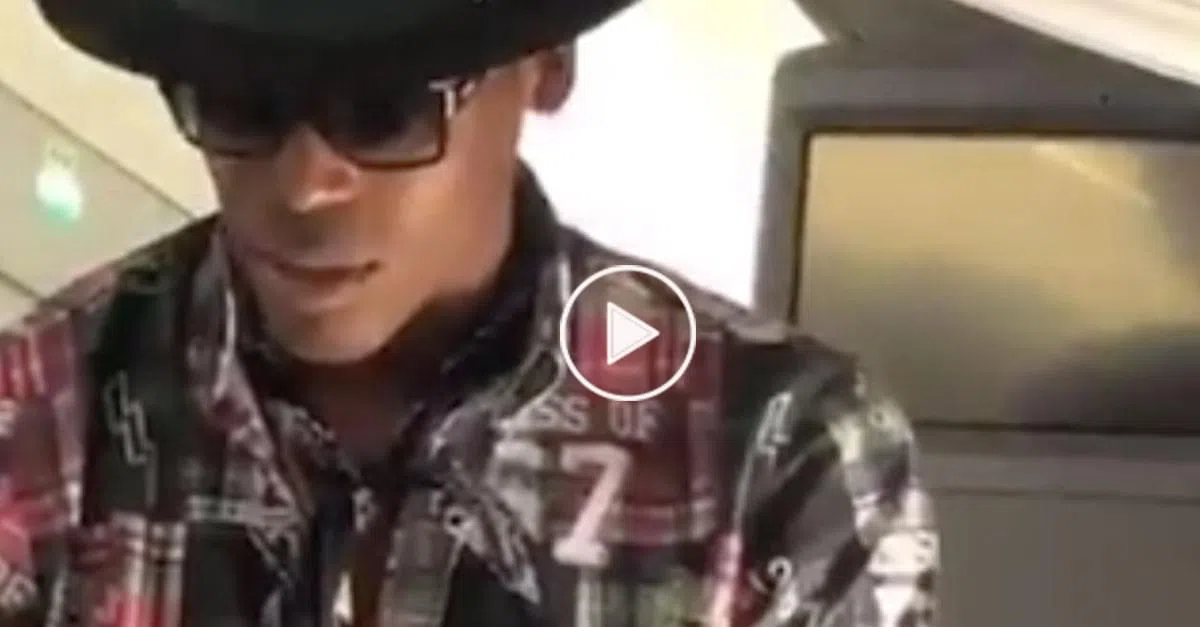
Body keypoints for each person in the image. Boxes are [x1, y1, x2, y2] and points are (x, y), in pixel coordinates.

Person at [0, 0, 937, 625]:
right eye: (238, 104)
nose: (305, 184)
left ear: (546, 66)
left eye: (385, 110)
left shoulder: (775, 458)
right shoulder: (35, 418)